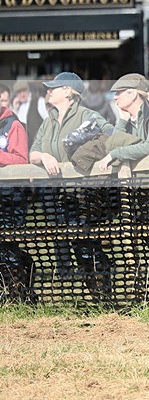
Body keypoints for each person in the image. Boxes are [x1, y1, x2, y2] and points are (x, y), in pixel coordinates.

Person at [28, 72, 115, 302]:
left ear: (69, 92)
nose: (48, 91)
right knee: (73, 245)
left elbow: (111, 134)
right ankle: (96, 297)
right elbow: (32, 153)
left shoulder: (87, 115)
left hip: (84, 194)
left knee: (86, 244)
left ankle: (104, 295)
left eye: (53, 88)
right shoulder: (48, 121)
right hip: (57, 195)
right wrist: (44, 155)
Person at [96, 73, 149, 304]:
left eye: (119, 93)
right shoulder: (130, 119)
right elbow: (113, 142)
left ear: (133, 93)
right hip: (140, 190)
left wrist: (116, 154)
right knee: (146, 242)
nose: (114, 98)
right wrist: (122, 120)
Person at [0, 84, 35, 302]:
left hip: (11, 197)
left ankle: (19, 294)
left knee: (8, 245)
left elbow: (22, 160)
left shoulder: (14, 126)